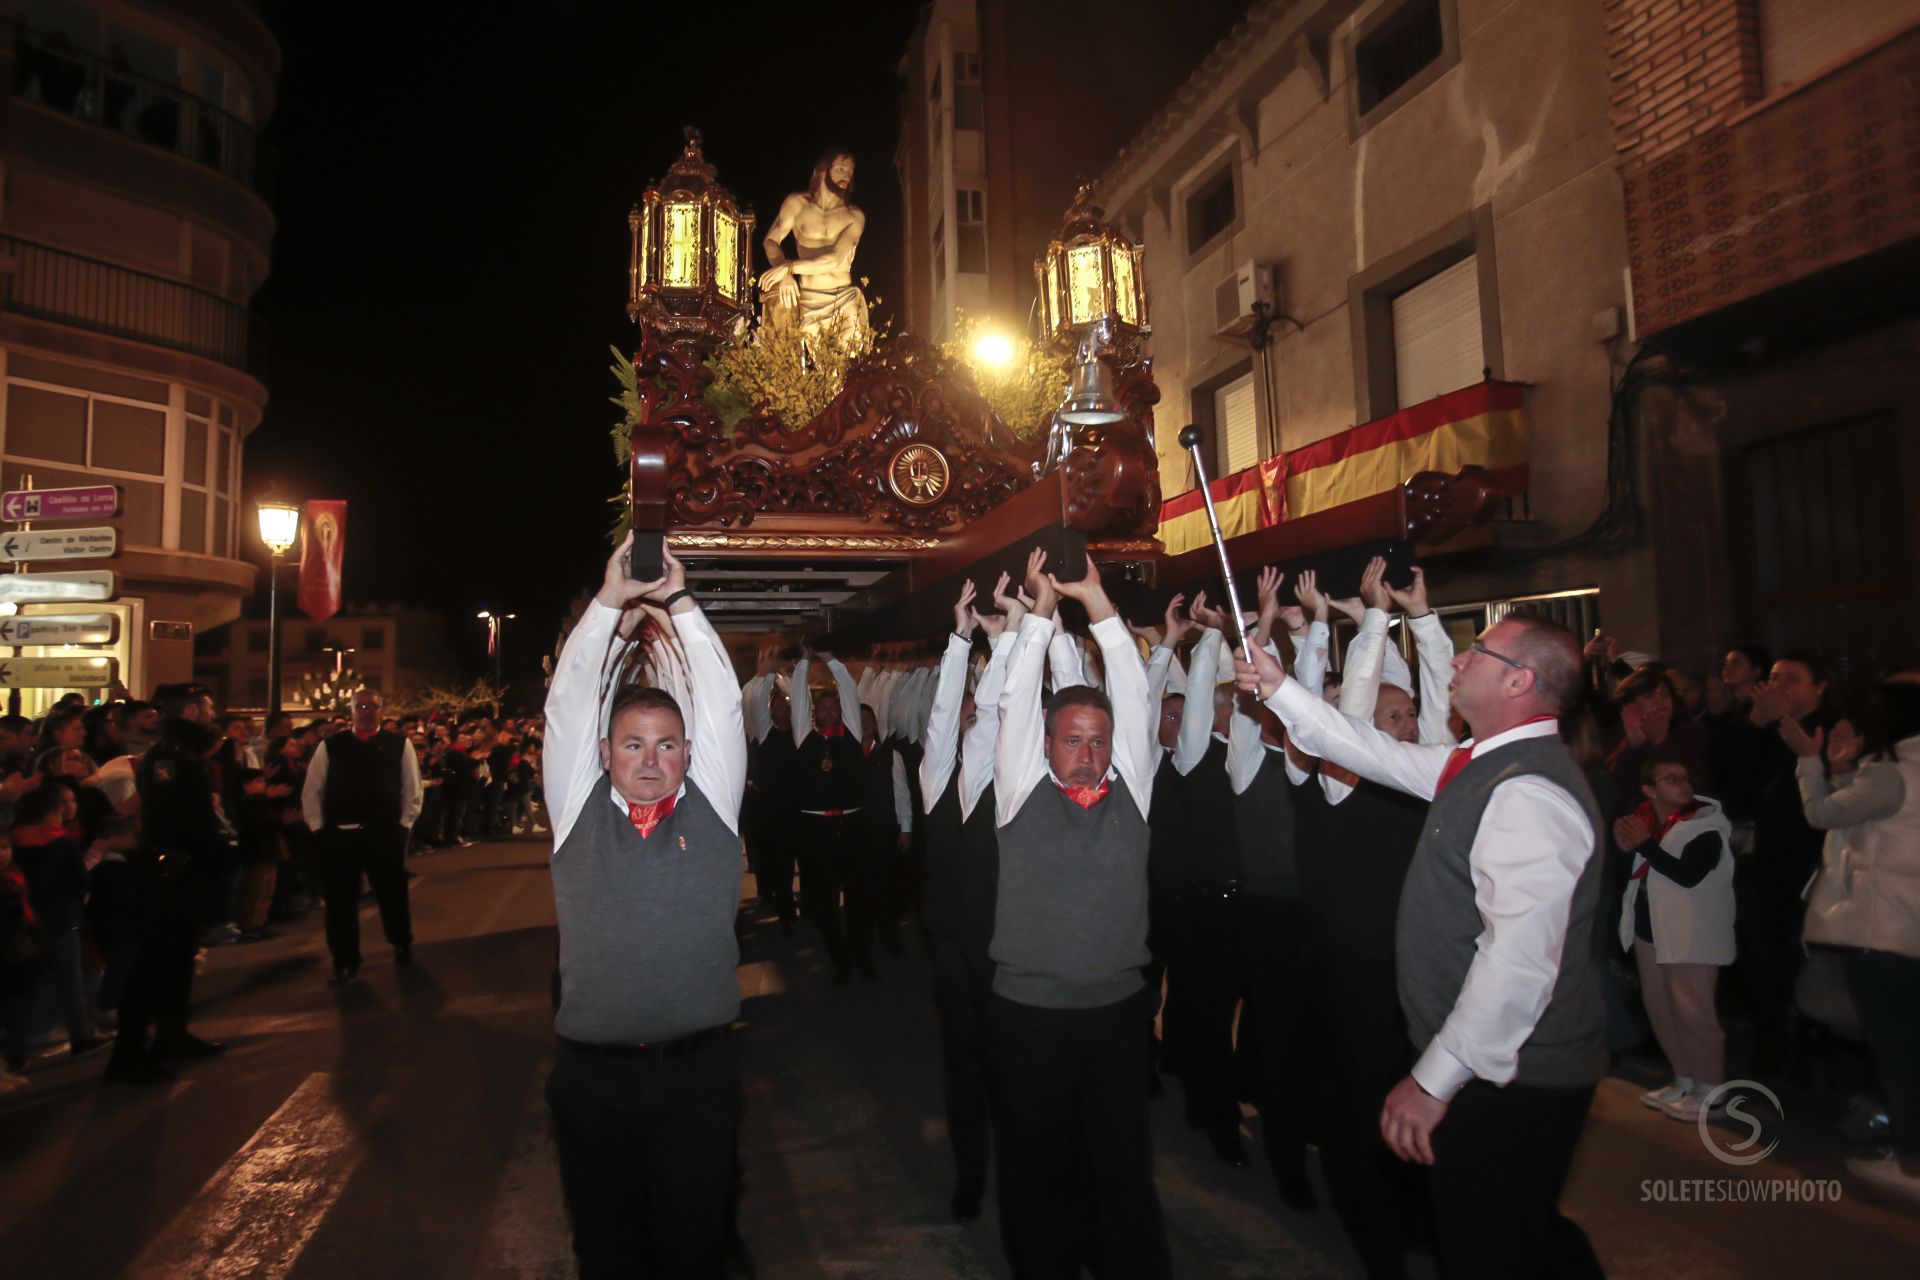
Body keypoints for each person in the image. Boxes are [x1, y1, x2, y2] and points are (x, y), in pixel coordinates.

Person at [1237, 610, 1606, 1280]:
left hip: (1513, 1078)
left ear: (1520, 681)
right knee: (1516, 1230)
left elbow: (1517, 967)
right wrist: (1278, 687)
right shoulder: (1479, 764)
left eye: (1479, 655)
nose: (1459, 662)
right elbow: (1369, 751)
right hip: (1489, 1069)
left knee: (1489, 1247)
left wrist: (1434, 1081)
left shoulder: (1529, 793)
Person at [543, 533, 747, 1277]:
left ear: (687, 754)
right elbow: (567, 706)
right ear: (605, 754)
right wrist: (608, 602)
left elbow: (721, 704)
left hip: (698, 1077)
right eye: (633, 746)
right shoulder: (577, 812)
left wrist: (682, 604)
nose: (651, 761)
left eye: (666, 745)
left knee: (694, 1248)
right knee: (606, 1251)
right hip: (593, 1082)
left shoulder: (713, 810)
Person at [986, 548, 1172, 1280]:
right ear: (1048, 744)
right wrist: (1038, 616)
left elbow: (1130, 685)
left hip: (1118, 1016)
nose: (1088, 753)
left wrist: (1097, 604)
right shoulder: (1020, 789)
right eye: (1072, 740)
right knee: (1037, 1171)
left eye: (1099, 741)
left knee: (1124, 1166)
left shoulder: (1134, 792)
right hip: (1028, 1016)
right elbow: (1016, 699)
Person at [1785, 677, 1920, 1206]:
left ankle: (1911, 1162)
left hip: (1882, 930)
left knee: (1896, 1047)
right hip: (1909, 929)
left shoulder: (1892, 773)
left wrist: (1809, 763)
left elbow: (1822, 814)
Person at [920, 576, 1020, 1221]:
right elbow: (943, 717)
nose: (971, 715)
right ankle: (970, 1171)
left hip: (1004, 952)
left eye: (980, 712)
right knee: (962, 1067)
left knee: (1010, 1069)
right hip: (953, 951)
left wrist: (1004, 642)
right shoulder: (933, 780)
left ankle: (1018, 1168)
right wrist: (960, 639)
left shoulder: (1004, 786)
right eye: (966, 710)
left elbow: (991, 717)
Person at [1612, 757, 1735, 1121]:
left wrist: (1644, 845)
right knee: (1661, 1008)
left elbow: (1688, 874)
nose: (1683, 785)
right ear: (1649, 790)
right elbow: (1634, 874)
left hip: (1691, 934)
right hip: (1654, 931)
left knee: (1693, 1012)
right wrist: (1628, 848)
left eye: (1685, 777)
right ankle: (1685, 1079)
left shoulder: (1705, 826)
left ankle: (1711, 1090)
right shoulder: (1650, 822)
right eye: (1671, 779)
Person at [301, 690, 422, 984]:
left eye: (373, 706)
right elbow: (313, 789)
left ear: (382, 710)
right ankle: (344, 959)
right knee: (340, 900)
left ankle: (401, 941)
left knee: (392, 893)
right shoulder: (330, 746)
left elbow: (412, 788)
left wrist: (404, 825)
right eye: (361, 706)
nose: (366, 711)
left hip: (383, 833)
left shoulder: (399, 744)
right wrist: (318, 828)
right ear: (352, 710)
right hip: (340, 836)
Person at [790, 645, 865, 985]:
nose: (831, 708)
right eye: (823, 705)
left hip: (851, 824)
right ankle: (839, 959)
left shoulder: (853, 733)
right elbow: (798, 697)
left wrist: (833, 660)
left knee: (858, 896)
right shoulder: (804, 736)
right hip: (816, 827)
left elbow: (849, 690)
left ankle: (860, 953)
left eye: (834, 704)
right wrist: (805, 662)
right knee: (824, 899)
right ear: (814, 713)